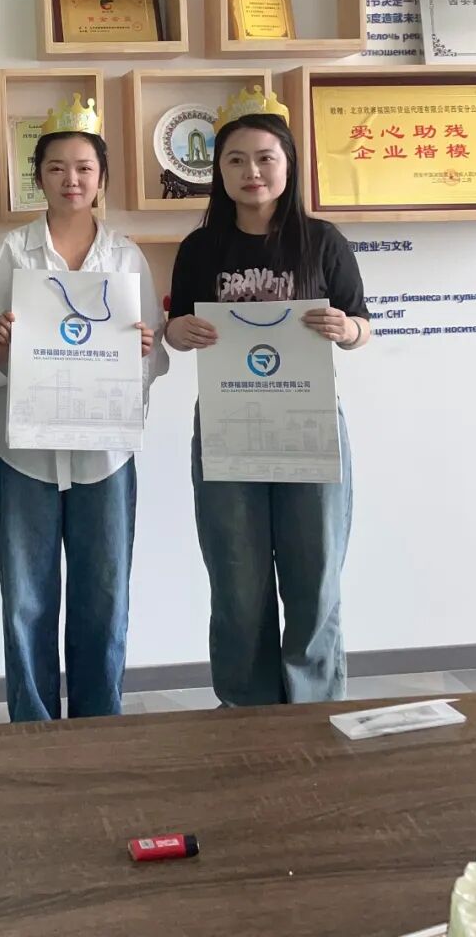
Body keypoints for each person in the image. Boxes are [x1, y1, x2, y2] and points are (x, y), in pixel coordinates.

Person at [0, 126, 169, 723]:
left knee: (105, 596)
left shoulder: (125, 257)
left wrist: (140, 350)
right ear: (38, 178)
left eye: (83, 168)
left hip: (105, 454)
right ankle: (33, 725)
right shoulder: (11, 254)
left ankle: (99, 724)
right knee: (26, 599)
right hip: (24, 452)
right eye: (56, 168)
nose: (71, 180)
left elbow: (153, 357)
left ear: (101, 179)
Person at [165, 103, 370, 707]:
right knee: (237, 578)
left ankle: (313, 706)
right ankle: (245, 707)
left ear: (288, 165)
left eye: (264, 158)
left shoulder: (322, 241)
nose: (251, 171)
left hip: (310, 421)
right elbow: (176, 327)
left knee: (315, 574)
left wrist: (346, 329)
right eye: (235, 160)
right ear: (219, 173)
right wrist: (179, 331)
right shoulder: (201, 248)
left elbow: (362, 324)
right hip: (227, 422)